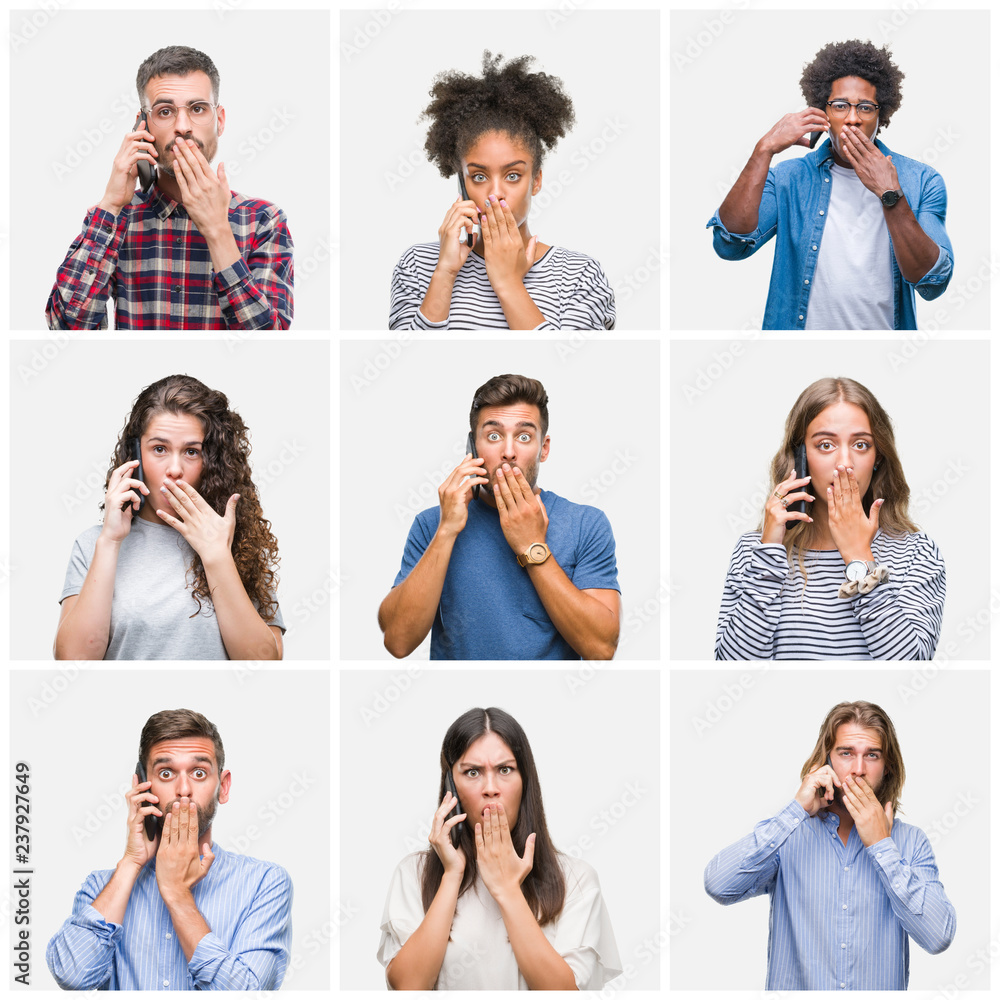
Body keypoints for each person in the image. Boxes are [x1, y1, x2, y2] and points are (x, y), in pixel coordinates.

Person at [704, 700, 956, 990]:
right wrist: (796, 809)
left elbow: (939, 937)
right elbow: (717, 885)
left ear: (887, 767)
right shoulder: (788, 834)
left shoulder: (911, 843)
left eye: (872, 755)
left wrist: (882, 846)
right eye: (846, 753)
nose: (858, 769)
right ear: (827, 760)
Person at [706, 39, 952, 330]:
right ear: (822, 113)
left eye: (865, 108)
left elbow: (932, 283)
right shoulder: (788, 178)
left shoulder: (921, 181)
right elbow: (730, 246)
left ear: (880, 114)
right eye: (839, 106)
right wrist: (764, 150)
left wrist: (891, 195)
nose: (852, 119)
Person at [46, 45, 293, 330]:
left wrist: (218, 232)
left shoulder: (264, 220)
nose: (183, 126)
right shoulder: (112, 220)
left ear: (220, 120)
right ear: (143, 125)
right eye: (165, 112)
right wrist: (111, 205)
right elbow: (65, 330)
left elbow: (269, 342)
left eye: (198, 108)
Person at [378, 374, 620, 659]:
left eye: (524, 437)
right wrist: (447, 530)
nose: (508, 452)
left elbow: (601, 648)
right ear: (472, 446)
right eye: (493, 436)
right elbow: (398, 641)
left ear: (544, 449)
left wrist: (532, 547)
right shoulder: (431, 524)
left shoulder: (586, 524)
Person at [47, 709, 293, 990]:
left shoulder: (265, 883)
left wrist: (177, 893)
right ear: (140, 786)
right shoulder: (101, 887)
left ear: (223, 788)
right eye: (166, 773)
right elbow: (73, 976)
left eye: (199, 772)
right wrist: (131, 862)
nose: (184, 789)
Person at [378, 707, 622, 989]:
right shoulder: (413, 874)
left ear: (525, 780)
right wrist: (452, 875)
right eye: (472, 772)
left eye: (505, 770)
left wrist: (507, 889)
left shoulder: (576, 878)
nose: (490, 788)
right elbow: (408, 987)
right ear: (450, 787)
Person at [55, 375, 284, 660]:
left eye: (191, 452)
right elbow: (73, 661)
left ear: (212, 462)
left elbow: (264, 663)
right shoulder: (92, 544)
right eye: (160, 449)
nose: (174, 468)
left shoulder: (240, 543)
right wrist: (111, 541)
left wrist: (216, 556)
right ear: (136, 457)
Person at [716, 377, 945, 659]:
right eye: (826, 445)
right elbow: (732, 665)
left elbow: (910, 667)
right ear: (801, 457)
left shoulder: (916, 552)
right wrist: (769, 552)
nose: (844, 463)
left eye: (861, 445)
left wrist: (860, 557)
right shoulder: (755, 549)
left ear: (878, 459)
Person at [390, 52, 615, 331]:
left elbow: (569, 363)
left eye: (512, 175)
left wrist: (508, 283)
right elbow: (409, 364)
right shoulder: (418, 265)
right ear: (462, 183)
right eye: (479, 176)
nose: (495, 194)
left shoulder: (579, 274)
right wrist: (445, 273)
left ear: (536, 181)